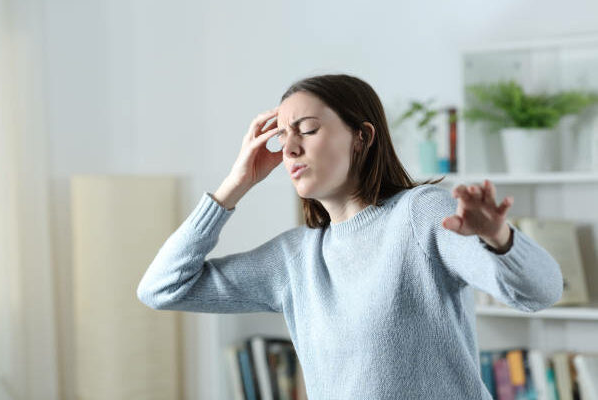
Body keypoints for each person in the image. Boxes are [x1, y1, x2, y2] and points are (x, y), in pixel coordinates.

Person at [137, 74, 563, 399]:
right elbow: (161, 288)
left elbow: (540, 292)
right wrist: (234, 184)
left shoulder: (419, 214)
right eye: (282, 136)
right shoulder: (294, 259)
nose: (289, 149)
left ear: (362, 136)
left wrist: (498, 236)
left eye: (306, 129)